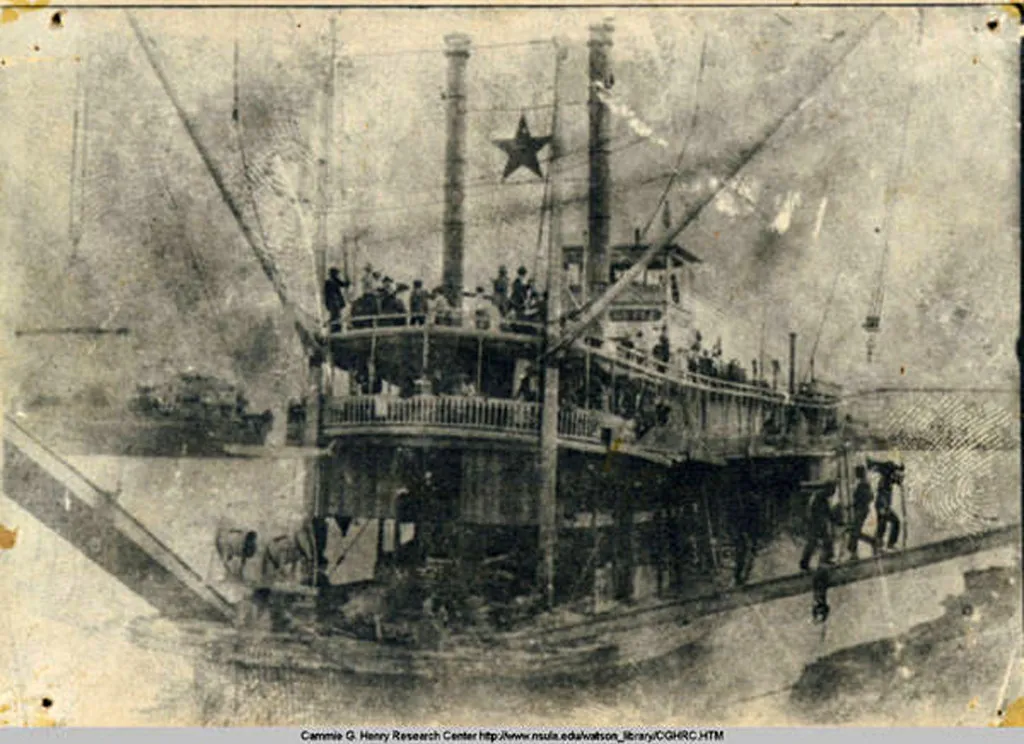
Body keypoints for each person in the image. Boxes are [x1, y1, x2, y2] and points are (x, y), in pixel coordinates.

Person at [799, 481, 842, 572]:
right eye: (832, 491)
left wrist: (838, 522)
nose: (832, 493)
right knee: (813, 542)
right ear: (828, 489)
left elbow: (828, 513)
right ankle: (805, 563)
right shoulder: (817, 497)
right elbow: (811, 512)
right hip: (814, 523)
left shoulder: (823, 498)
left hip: (819, 523)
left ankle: (825, 560)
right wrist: (814, 523)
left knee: (826, 541)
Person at [871, 460, 904, 552]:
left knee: (883, 524)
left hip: (883, 505)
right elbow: (882, 494)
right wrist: (883, 507)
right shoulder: (885, 480)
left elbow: (897, 480)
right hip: (882, 505)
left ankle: (882, 544)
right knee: (889, 523)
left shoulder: (888, 479)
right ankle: (886, 544)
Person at [847, 465, 874, 559]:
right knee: (855, 531)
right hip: (860, 509)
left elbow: (869, 497)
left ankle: (853, 552)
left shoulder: (864, 484)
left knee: (855, 531)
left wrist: (859, 501)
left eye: (857, 473)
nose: (856, 474)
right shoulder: (863, 483)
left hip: (861, 510)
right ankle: (873, 542)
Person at [324, 267, 349, 332]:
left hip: (335, 301)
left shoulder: (335, 280)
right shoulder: (329, 282)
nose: (337, 275)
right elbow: (326, 294)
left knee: (337, 315)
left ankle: (336, 328)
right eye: (336, 274)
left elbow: (344, 284)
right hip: (333, 301)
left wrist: (348, 281)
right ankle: (334, 328)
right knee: (335, 315)